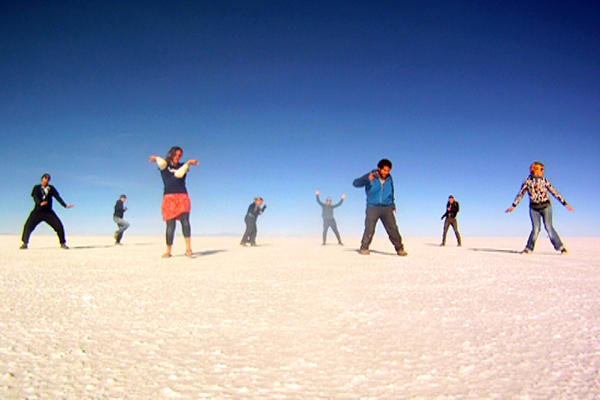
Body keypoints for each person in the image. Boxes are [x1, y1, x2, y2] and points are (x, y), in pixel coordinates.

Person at [505, 161, 574, 254]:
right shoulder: (527, 182)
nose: (543, 171)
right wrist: (513, 206)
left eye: (543, 169)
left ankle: (561, 247)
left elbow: (554, 192)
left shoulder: (544, 181)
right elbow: (520, 194)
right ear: (535, 170)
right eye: (541, 169)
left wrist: (564, 204)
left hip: (546, 207)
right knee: (536, 229)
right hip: (534, 209)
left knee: (549, 227)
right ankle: (528, 248)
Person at [149, 147, 198, 258]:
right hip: (169, 197)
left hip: (182, 196)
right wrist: (156, 158)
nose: (178, 157)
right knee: (170, 225)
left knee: (185, 221)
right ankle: (168, 251)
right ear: (171, 154)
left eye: (180, 155)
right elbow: (162, 164)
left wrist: (188, 163)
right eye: (176, 155)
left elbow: (180, 174)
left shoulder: (182, 166)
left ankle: (188, 249)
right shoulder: (165, 166)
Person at [353, 158, 407, 256]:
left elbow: (391, 192)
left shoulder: (389, 179)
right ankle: (364, 247)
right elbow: (355, 183)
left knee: (393, 229)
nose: (386, 172)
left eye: (388, 171)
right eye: (384, 170)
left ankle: (400, 249)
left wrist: (392, 205)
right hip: (373, 207)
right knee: (369, 228)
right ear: (379, 168)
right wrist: (366, 179)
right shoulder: (371, 176)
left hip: (387, 207)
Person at [20, 173, 74, 249]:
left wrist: (65, 205)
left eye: (48, 178)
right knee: (28, 226)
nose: (46, 180)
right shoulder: (37, 188)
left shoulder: (51, 188)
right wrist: (40, 203)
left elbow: (57, 197)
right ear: (42, 179)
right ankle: (25, 243)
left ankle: (63, 243)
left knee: (59, 226)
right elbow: (35, 196)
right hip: (38, 211)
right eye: (45, 178)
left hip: (48, 212)